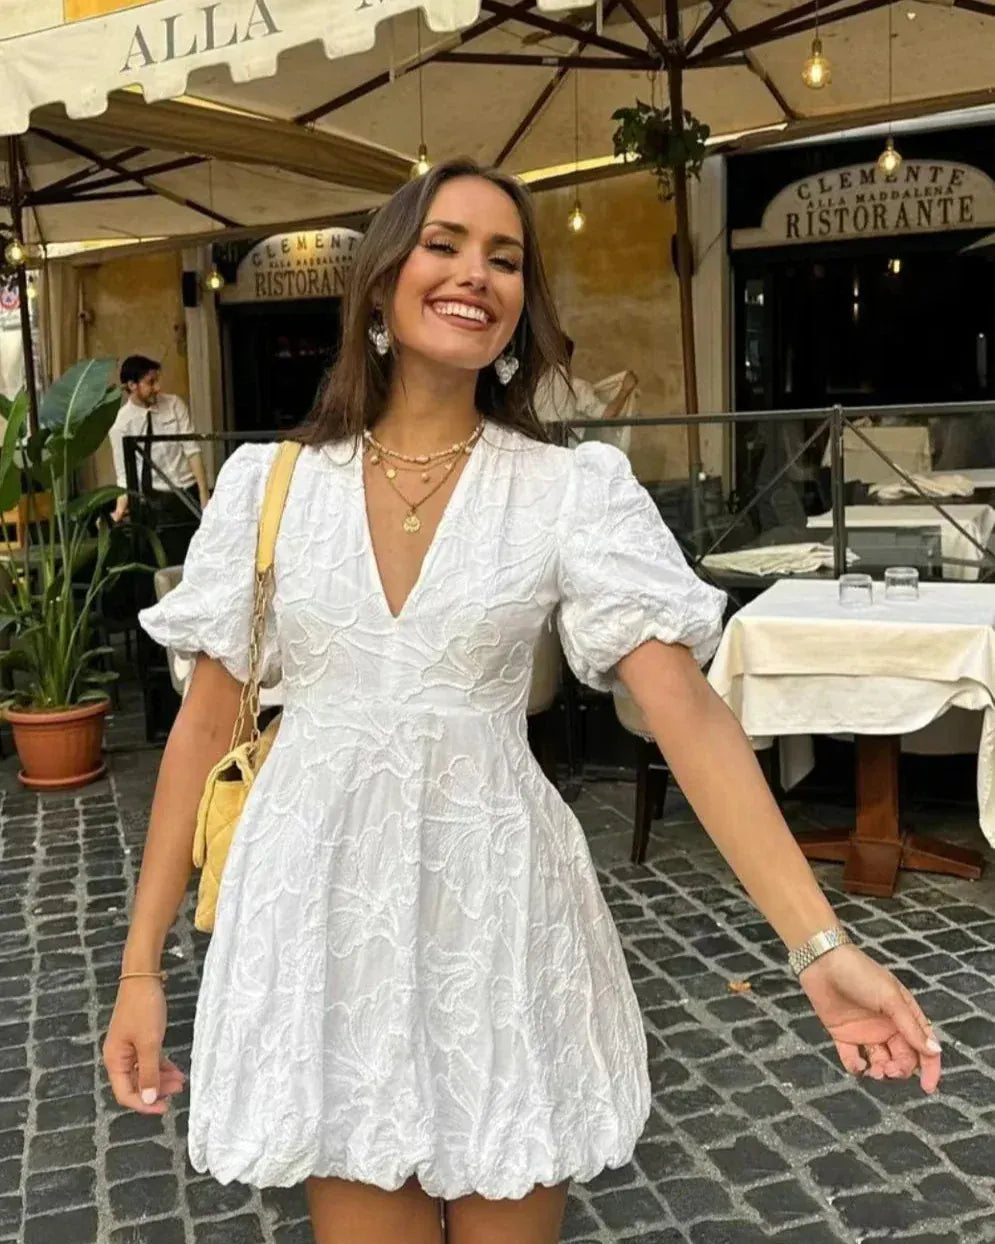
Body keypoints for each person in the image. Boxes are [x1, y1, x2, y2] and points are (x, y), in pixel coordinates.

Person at [103, 160, 942, 1244]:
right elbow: (200, 735)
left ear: (520, 307)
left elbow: (687, 716)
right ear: (379, 283)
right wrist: (140, 968)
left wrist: (818, 946)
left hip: (495, 913)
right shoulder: (270, 485)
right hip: (317, 913)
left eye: (504, 259)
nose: (475, 273)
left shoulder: (567, 489)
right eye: (444, 244)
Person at [109, 356, 210, 561]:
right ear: (132, 385)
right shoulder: (121, 424)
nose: (158, 387)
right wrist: (118, 512)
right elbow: (124, 476)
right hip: (157, 501)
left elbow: (192, 450)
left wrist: (204, 497)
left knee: (200, 557)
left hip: (188, 493)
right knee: (169, 561)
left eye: (157, 380)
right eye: (151, 382)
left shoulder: (174, 404)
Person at [533, 334, 637, 426]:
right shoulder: (577, 387)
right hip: (566, 442)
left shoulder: (534, 386)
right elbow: (607, 415)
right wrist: (625, 390)